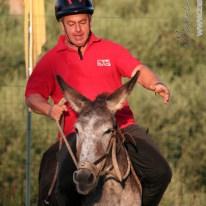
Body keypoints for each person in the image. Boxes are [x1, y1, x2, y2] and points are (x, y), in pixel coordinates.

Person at [25, 0, 172, 205]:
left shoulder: (111, 50)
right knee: (58, 188)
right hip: (77, 135)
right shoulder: (51, 60)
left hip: (122, 127)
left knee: (161, 172)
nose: (77, 29)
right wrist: (49, 110)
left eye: (82, 22)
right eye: (71, 23)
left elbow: (137, 70)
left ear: (90, 20)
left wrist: (155, 84)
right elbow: (32, 97)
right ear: (62, 25)